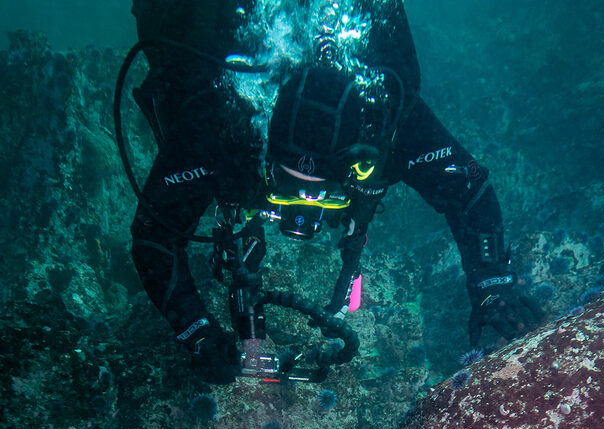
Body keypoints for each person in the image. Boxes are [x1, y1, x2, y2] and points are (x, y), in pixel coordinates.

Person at [129, 0, 541, 384]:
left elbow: (469, 189)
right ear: (262, 151)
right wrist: (197, 332)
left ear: (357, 168)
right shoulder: (224, 123)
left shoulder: (390, 126)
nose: (302, 213)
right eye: (288, 187)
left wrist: (491, 283)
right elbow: (153, 233)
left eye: (323, 193)